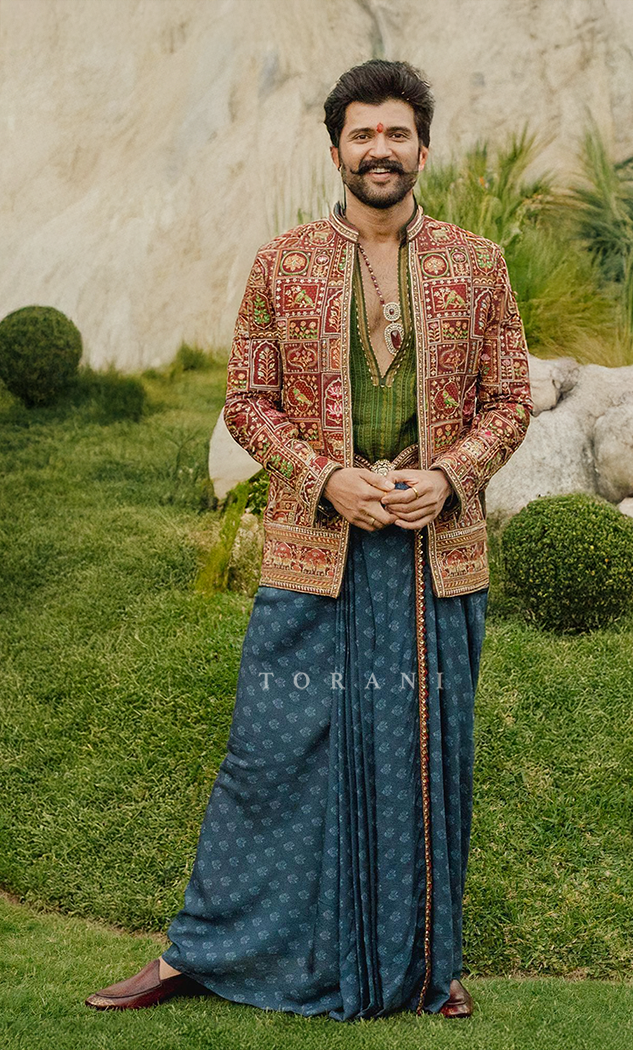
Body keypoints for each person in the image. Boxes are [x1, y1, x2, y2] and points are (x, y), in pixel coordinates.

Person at [86, 58, 532, 1021]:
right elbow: (247, 403)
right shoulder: (282, 263)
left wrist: (448, 477)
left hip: (432, 555)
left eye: (397, 132)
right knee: (272, 750)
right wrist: (325, 477)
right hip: (313, 547)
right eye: (363, 134)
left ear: (423, 147)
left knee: (424, 756)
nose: (381, 149)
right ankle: (196, 953)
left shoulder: (477, 262)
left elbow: (509, 400)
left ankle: (426, 967)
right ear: (337, 149)